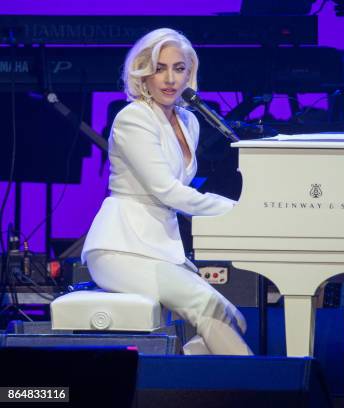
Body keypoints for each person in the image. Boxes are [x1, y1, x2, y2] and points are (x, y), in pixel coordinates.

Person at [81, 28, 252, 356]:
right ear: (144, 74)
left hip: (159, 246)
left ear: (190, 73)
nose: (170, 78)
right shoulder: (133, 118)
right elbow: (169, 192)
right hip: (122, 248)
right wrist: (239, 210)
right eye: (160, 68)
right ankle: (262, 393)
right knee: (210, 308)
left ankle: (180, 374)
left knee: (234, 318)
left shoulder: (190, 122)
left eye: (179, 68)